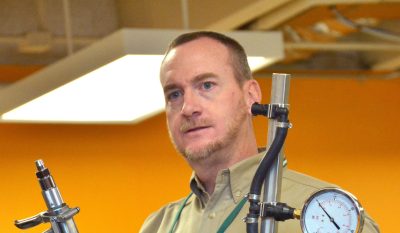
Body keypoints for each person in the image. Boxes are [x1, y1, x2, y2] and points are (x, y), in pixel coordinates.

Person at [139, 31, 380, 233]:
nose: (188, 107)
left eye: (207, 85)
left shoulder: (329, 216)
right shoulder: (158, 226)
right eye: (174, 94)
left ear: (251, 96)